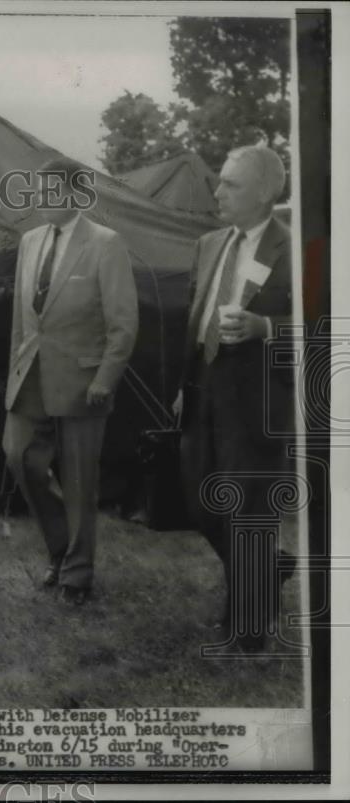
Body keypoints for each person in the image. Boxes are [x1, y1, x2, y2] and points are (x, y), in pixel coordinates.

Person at [172, 144, 294, 652]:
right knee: (201, 501)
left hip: (259, 396)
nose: (217, 191)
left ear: (266, 192)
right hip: (203, 387)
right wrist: (184, 384)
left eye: (231, 184)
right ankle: (269, 570)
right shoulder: (209, 243)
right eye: (219, 181)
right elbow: (196, 320)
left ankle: (249, 627)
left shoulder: (297, 246)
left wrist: (265, 326)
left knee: (249, 509)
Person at [3, 156, 138, 606]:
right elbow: (23, 322)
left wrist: (106, 377)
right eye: (37, 191)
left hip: (85, 382)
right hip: (31, 378)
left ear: (75, 195)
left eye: (49, 191)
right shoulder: (29, 242)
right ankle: (62, 549)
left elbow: (123, 323)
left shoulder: (105, 243)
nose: (40, 199)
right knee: (20, 457)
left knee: (80, 479)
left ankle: (77, 575)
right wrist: (14, 374)